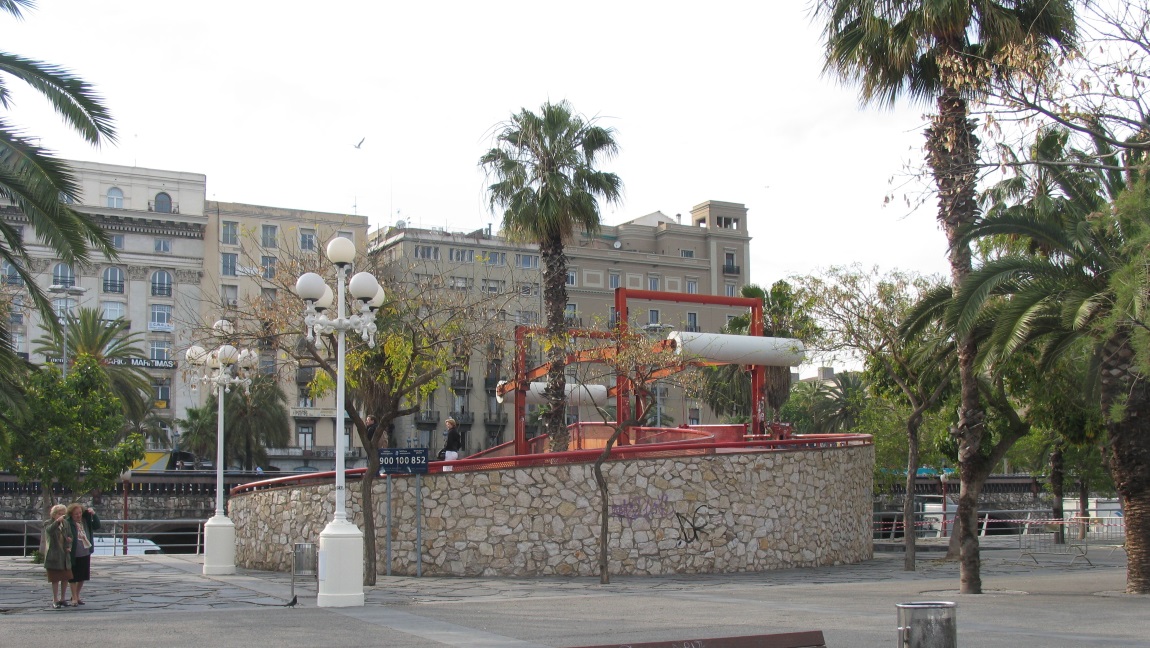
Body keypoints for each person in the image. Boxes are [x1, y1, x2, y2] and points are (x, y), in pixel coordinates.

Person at [66, 503, 100, 606]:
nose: (78, 515)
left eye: (80, 513)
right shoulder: (68, 522)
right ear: (71, 514)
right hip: (73, 552)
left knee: (82, 576)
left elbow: (97, 526)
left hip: (85, 551)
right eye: (76, 514)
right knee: (73, 576)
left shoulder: (86, 520)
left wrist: (94, 514)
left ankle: (76, 595)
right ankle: (74, 597)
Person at [42, 504, 73, 609]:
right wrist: (57, 522)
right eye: (59, 514)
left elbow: (70, 536)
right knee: (55, 579)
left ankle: (63, 598)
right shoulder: (48, 523)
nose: (62, 516)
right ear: (54, 514)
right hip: (54, 554)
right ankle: (55, 599)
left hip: (64, 555)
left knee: (65, 577)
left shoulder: (66, 523)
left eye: (63, 514)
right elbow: (49, 530)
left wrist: (69, 544)